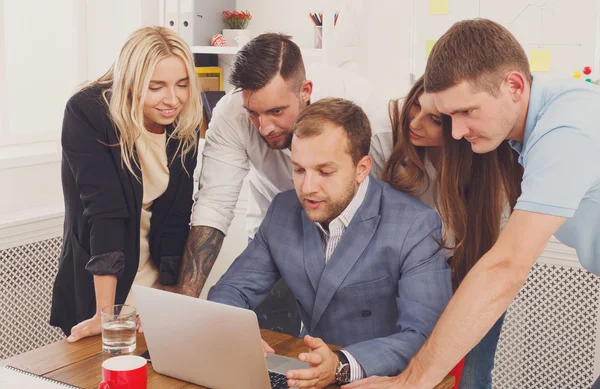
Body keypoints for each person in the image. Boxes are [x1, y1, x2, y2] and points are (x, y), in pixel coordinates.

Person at [346, 19, 600, 389]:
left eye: (467, 112)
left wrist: (410, 382)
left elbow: (504, 269)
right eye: (449, 116)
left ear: (514, 85)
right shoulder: (539, 118)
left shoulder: (566, 129)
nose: (456, 132)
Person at [208, 98, 452, 389]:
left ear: (362, 168)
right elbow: (231, 289)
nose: (308, 187)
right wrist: (235, 334)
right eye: (299, 170)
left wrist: (342, 365)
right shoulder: (282, 211)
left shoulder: (416, 224)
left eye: (325, 172)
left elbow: (424, 334)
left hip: (381, 380)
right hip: (311, 375)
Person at [176, 33, 381, 334]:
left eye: (276, 111)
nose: (265, 127)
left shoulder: (361, 106)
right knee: (268, 337)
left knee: (343, 337)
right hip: (277, 230)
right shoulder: (232, 114)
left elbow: (388, 194)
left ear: (305, 91)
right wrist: (184, 307)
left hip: (353, 232)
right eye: (254, 113)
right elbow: (214, 205)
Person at [50, 26, 202, 341]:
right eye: (156, 86)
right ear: (131, 82)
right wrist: (105, 315)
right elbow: (106, 214)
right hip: (103, 280)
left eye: (182, 84)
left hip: (153, 281)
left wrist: (168, 298)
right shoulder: (88, 112)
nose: (172, 100)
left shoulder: (184, 119)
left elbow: (176, 216)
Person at [370, 76, 522, 388]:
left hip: (473, 272)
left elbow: (496, 261)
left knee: (471, 378)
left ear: (460, 129)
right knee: (400, 367)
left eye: (435, 120)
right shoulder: (385, 139)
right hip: (406, 273)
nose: (415, 122)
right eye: (414, 106)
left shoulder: (491, 167)